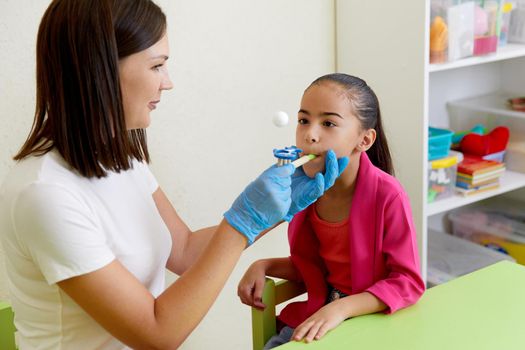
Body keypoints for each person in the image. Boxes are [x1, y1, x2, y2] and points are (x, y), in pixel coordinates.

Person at [0, 1, 348, 349]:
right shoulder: (45, 195)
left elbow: (182, 251)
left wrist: (272, 212)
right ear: (100, 69)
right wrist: (242, 223)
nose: (168, 83)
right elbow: (156, 334)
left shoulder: (119, 161)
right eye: (157, 66)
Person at [237, 73, 426, 349]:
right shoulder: (305, 192)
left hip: (370, 321)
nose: (310, 135)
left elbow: (408, 282)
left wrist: (340, 309)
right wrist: (262, 265)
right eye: (304, 120)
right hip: (318, 319)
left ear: (364, 140)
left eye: (328, 123)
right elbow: (314, 269)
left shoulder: (388, 195)